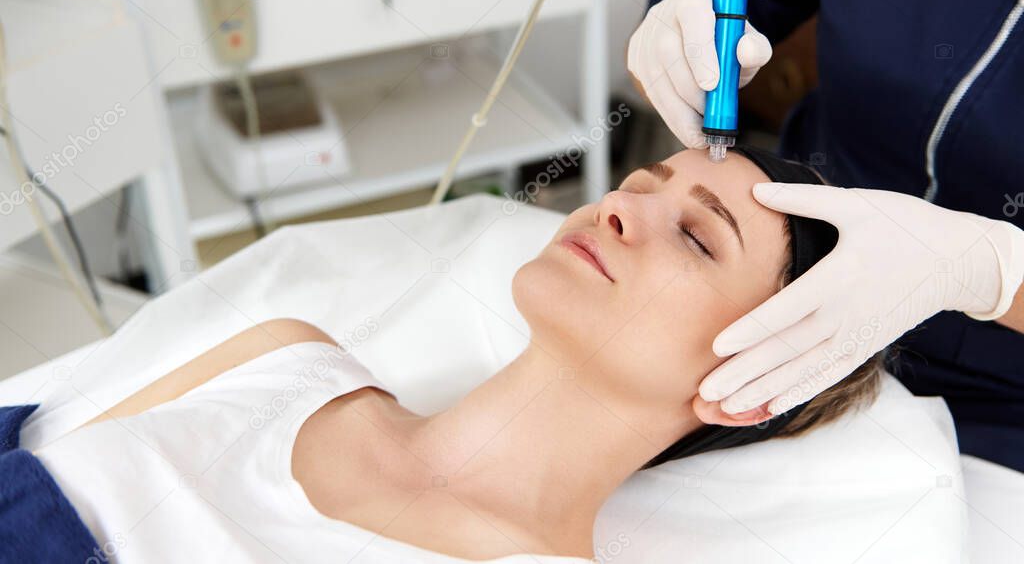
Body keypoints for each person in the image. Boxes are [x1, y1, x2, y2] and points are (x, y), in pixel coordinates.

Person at [3, 148, 880, 563]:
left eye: (694, 236)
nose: (616, 208)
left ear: (750, 381)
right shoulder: (286, 356)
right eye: (638, 183)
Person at [627, 0, 1024, 472]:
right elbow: (712, 5)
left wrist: (980, 268)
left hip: (1001, 395)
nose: (617, 211)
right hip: (780, 295)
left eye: (697, 237)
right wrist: (677, 48)